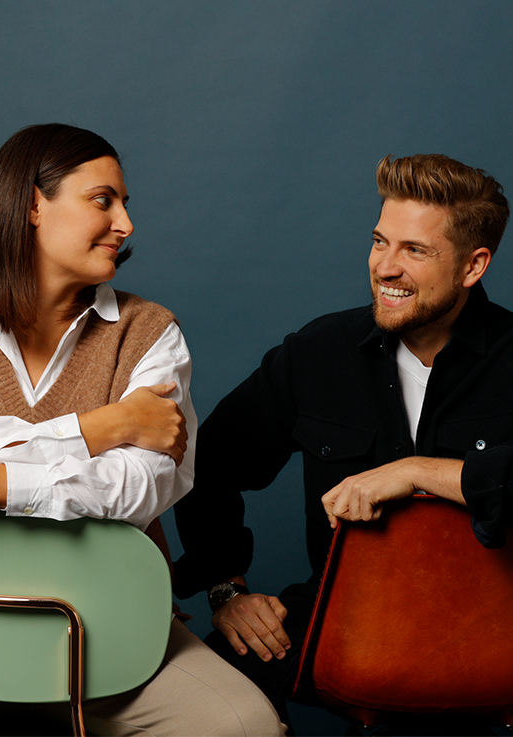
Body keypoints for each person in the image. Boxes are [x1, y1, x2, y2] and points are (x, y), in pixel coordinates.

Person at [0, 123, 285, 736]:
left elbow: (139, 488)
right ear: (31, 205)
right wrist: (98, 428)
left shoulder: (150, 333)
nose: (126, 224)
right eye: (102, 200)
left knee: (245, 726)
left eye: (125, 204)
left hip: (115, 622)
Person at [173, 153, 512, 730]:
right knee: (205, 695)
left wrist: (417, 471)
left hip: (492, 624)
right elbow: (208, 464)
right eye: (380, 242)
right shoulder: (318, 353)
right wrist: (226, 590)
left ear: (472, 266)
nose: (386, 267)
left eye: (415, 250)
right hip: (347, 618)